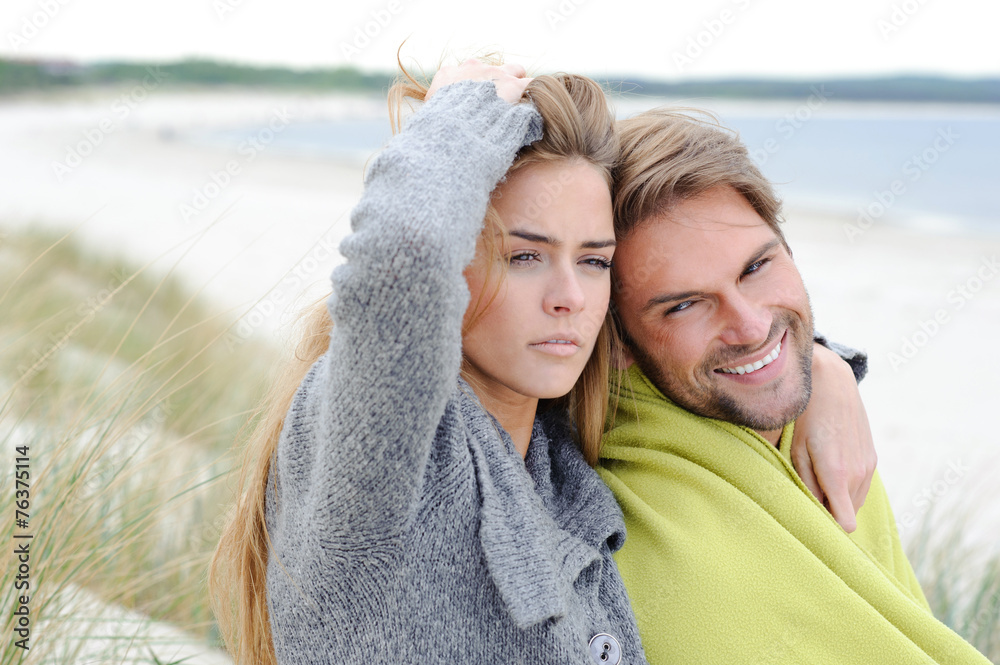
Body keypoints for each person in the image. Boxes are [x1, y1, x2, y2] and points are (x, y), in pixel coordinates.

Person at [208, 59, 874, 665]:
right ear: (454, 263)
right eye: (524, 256)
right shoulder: (388, 455)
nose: (569, 298)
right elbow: (399, 266)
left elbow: (713, 333)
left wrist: (825, 367)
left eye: (594, 261)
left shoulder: (561, 455)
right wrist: (455, 120)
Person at [600, 107, 991, 663]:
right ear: (616, 340)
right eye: (684, 305)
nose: (752, 327)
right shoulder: (625, 527)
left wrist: (831, 364)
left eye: (756, 268)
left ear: (787, 247)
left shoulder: (817, 429)